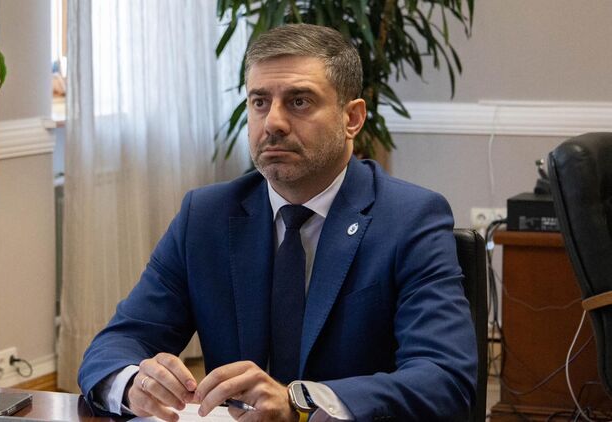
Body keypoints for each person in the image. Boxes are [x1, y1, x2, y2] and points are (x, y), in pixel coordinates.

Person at [78, 23, 477, 421]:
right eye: (259, 102)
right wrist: (134, 384)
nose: (273, 123)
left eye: (299, 102)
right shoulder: (205, 216)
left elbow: (444, 378)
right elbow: (116, 345)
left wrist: (301, 402)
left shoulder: (409, 219)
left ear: (352, 118)